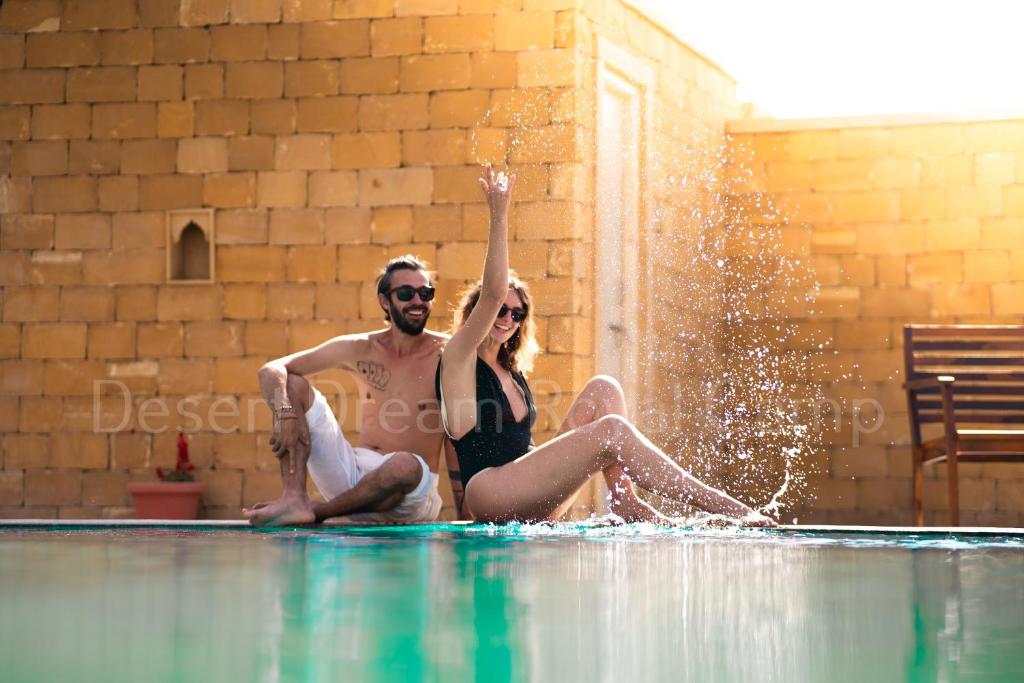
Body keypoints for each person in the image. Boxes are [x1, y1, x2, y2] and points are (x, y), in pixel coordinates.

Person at [436, 165, 776, 526]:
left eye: (517, 314)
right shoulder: (459, 356)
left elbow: (525, 452)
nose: (506, 318)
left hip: (529, 492)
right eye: (500, 310)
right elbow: (491, 293)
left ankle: (623, 499)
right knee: (612, 430)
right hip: (489, 492)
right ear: (477, 312)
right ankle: (728, 507)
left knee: (604, 389)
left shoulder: (511, 370)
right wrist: (499, 214)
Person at [245, 255, 448, 526]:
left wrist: (466, 503)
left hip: (412, 491)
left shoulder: (446, 351)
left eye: (426, 293)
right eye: (406, 293)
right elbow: (272, 369)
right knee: (293, 384)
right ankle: (294, 497)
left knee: (404, 465)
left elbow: (461, 432)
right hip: (355, 477)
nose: (418, 301)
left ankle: (318, 513)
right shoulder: (359, 347)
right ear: (385, 301)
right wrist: (285, 413)